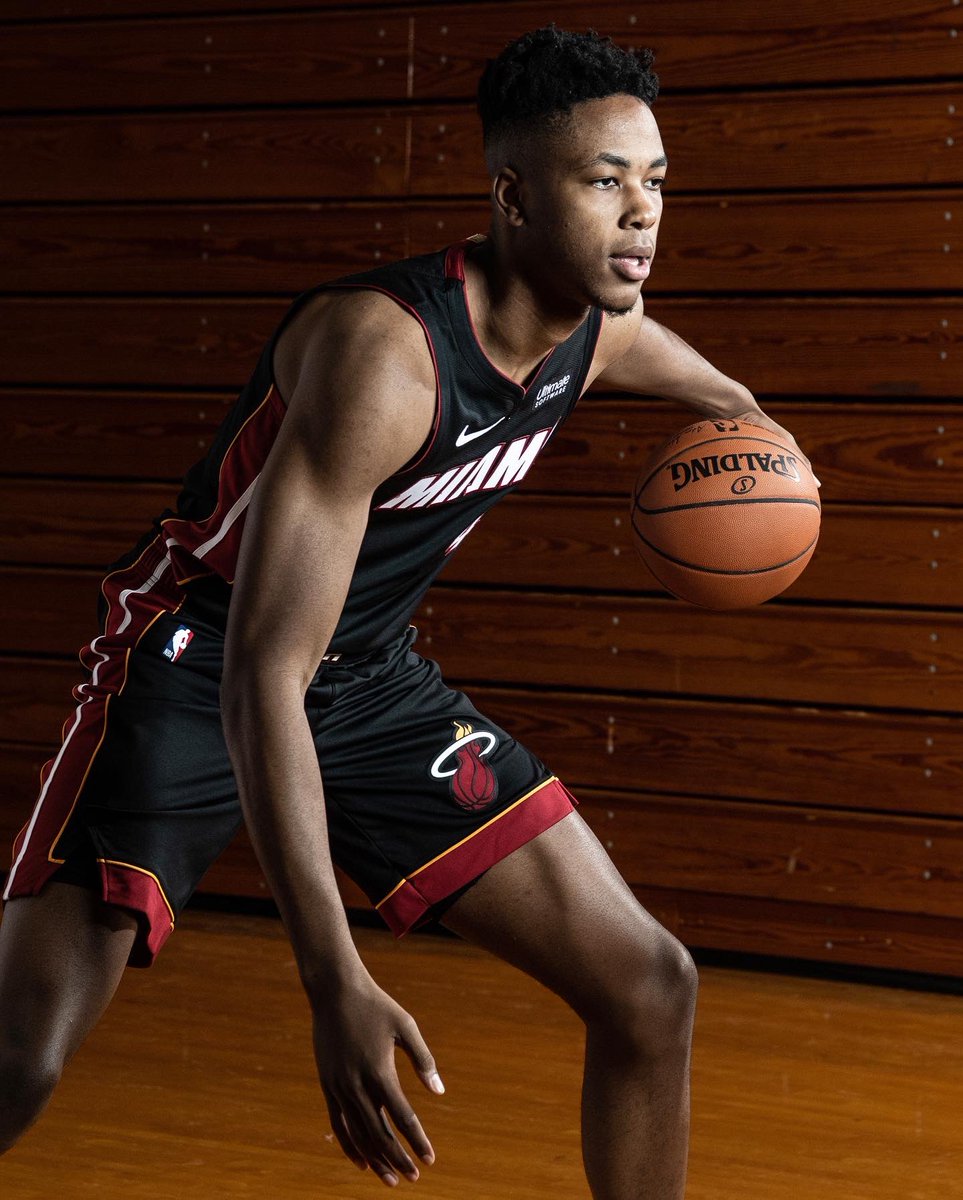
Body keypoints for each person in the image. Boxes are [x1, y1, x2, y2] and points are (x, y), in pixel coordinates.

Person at [0, 26, 810, 1199]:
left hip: (366, 680)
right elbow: (261, 678)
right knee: (21, 1054)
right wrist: (332, 982)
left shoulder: (592, 327)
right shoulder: (386, 356)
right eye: (603, 181)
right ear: (513, 197)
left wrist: (754, 427)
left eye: (656, 181)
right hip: (193, 665)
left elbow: (668, 365)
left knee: (651, 983)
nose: (642, 213)